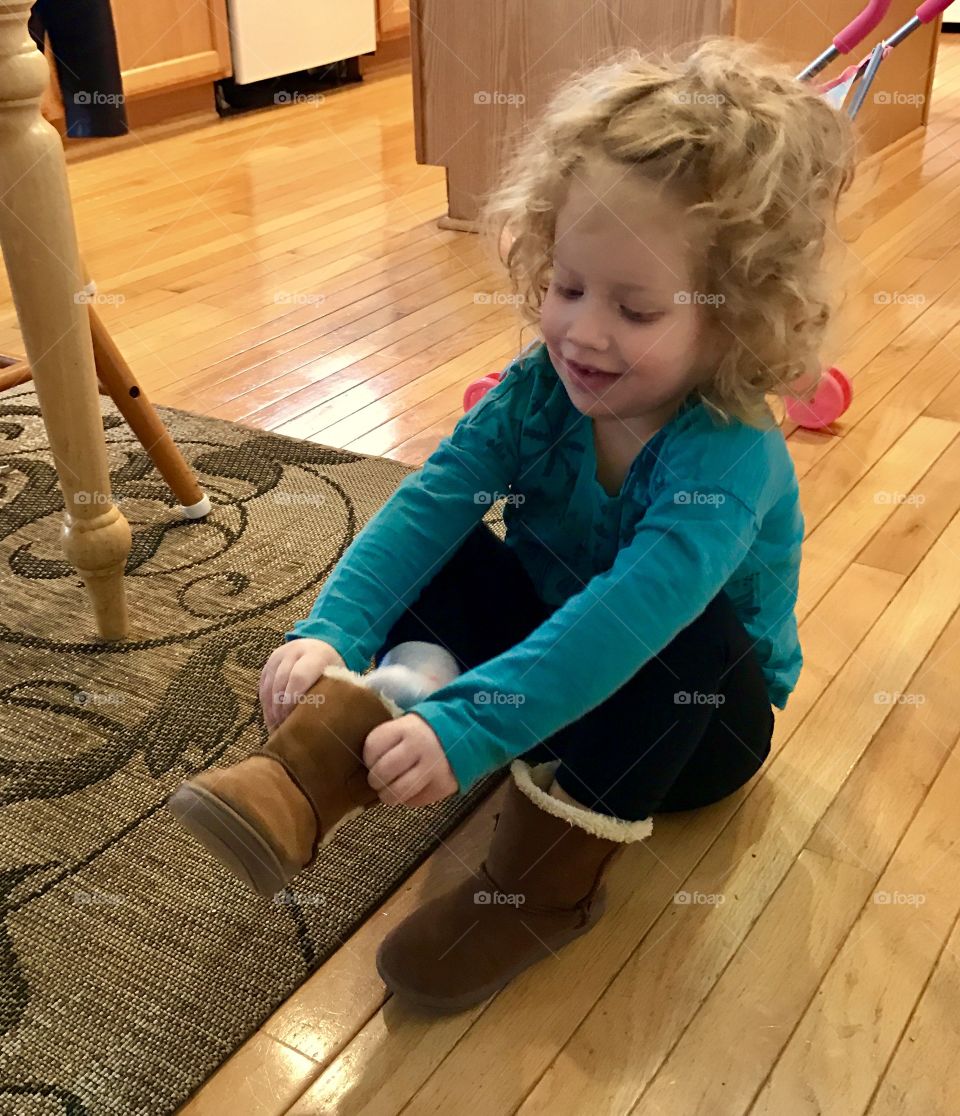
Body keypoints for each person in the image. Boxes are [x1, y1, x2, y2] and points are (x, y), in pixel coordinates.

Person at [179, 35, 858, 1013]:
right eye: (568, 285)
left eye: (634, 308)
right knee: (443, 543)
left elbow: (624, 621)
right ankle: (310, 775)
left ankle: (541, 888)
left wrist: (467, 727)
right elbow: (429, 504)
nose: (582, 330)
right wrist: (332, 631)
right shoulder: (540, 388)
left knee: (684, 640)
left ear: (735, 318)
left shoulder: (729, 457)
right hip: (554, 646)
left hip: (691, 732)